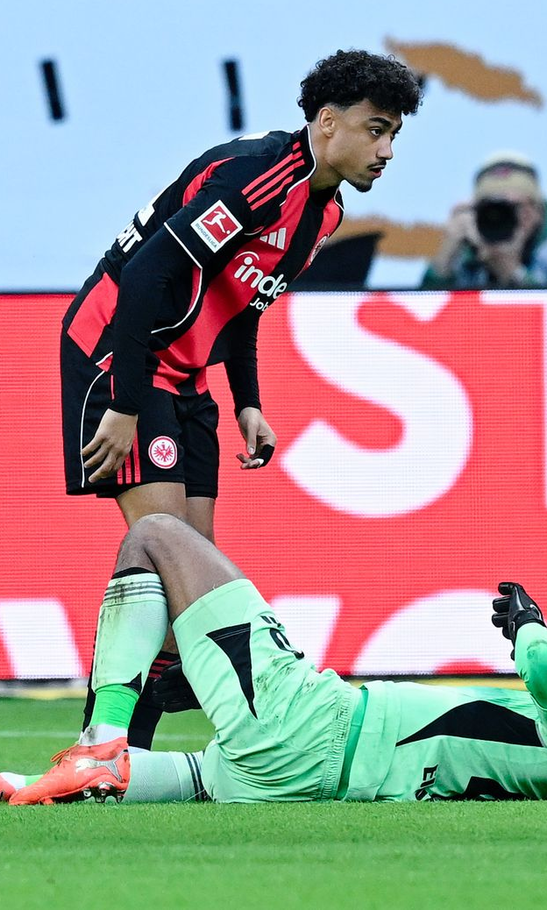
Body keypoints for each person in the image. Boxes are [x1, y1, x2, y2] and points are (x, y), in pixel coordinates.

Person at [61, 49, 421, 750]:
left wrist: (247, 399)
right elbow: (141, 279)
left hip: (186, 374)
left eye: (394, 136)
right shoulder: (257, 177)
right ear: (325, 124)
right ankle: (101, 745)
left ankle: (122, 746)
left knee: (194, 574)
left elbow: (247, 304)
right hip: (119, 353)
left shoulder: (322, 213)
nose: (386, 150)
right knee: (166, 558)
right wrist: (126, 401)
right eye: (376, 130)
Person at [0, 516, 547, 806]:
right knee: (170, 784)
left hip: (314, 725)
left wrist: (528, 624)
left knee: (156, 537)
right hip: (299, 782)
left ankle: (104, 735)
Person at [421, 152, 547, 290]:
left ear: (537, 211)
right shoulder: (466, 250)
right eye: (490, 208)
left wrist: (512, 272)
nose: (499, 217)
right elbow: (420, 328)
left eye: (512, 208)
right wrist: (443, 262)